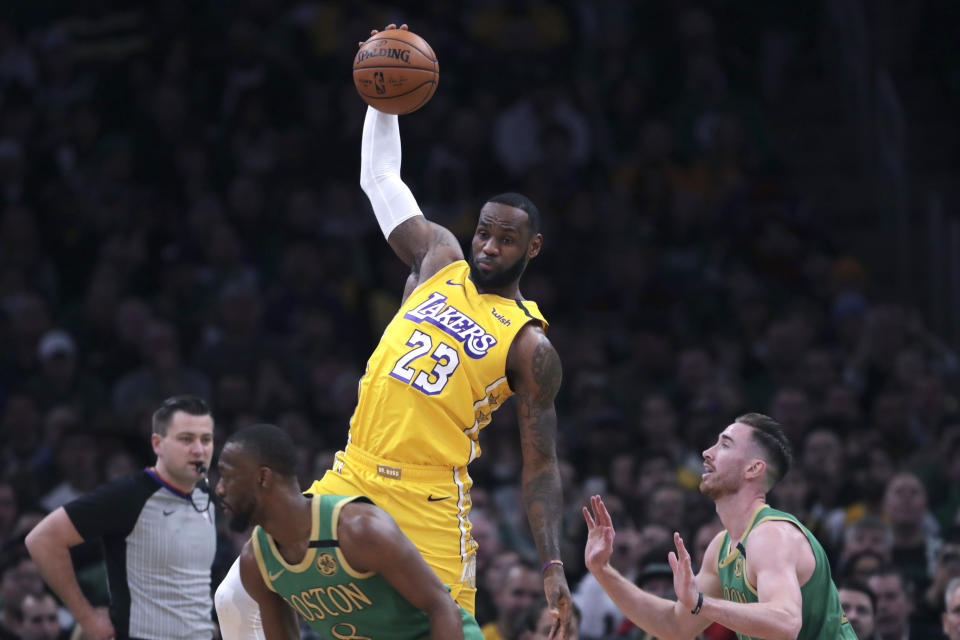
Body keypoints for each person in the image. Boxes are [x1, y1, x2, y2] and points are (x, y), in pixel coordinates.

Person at [583, 413, 856, 639]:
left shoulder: (772, 536)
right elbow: (674, 625)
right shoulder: (722, 546)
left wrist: (702, 603)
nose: (707, 453)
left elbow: (786, 623)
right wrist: (602, 570)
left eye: (724, 445)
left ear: (753, 469)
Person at [214, 422, 483, 639]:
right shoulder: (256, 561)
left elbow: (442, 607)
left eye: (227, 476)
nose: (219, 489)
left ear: (263, 478)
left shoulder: (360, 530)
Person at [25, 395, 216, 640]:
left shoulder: (205, 494)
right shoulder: (128, 495)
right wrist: (87, 618)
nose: (199, 449)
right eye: (186, 439)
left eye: (206, 439)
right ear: (158, 444)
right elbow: (42, 540)